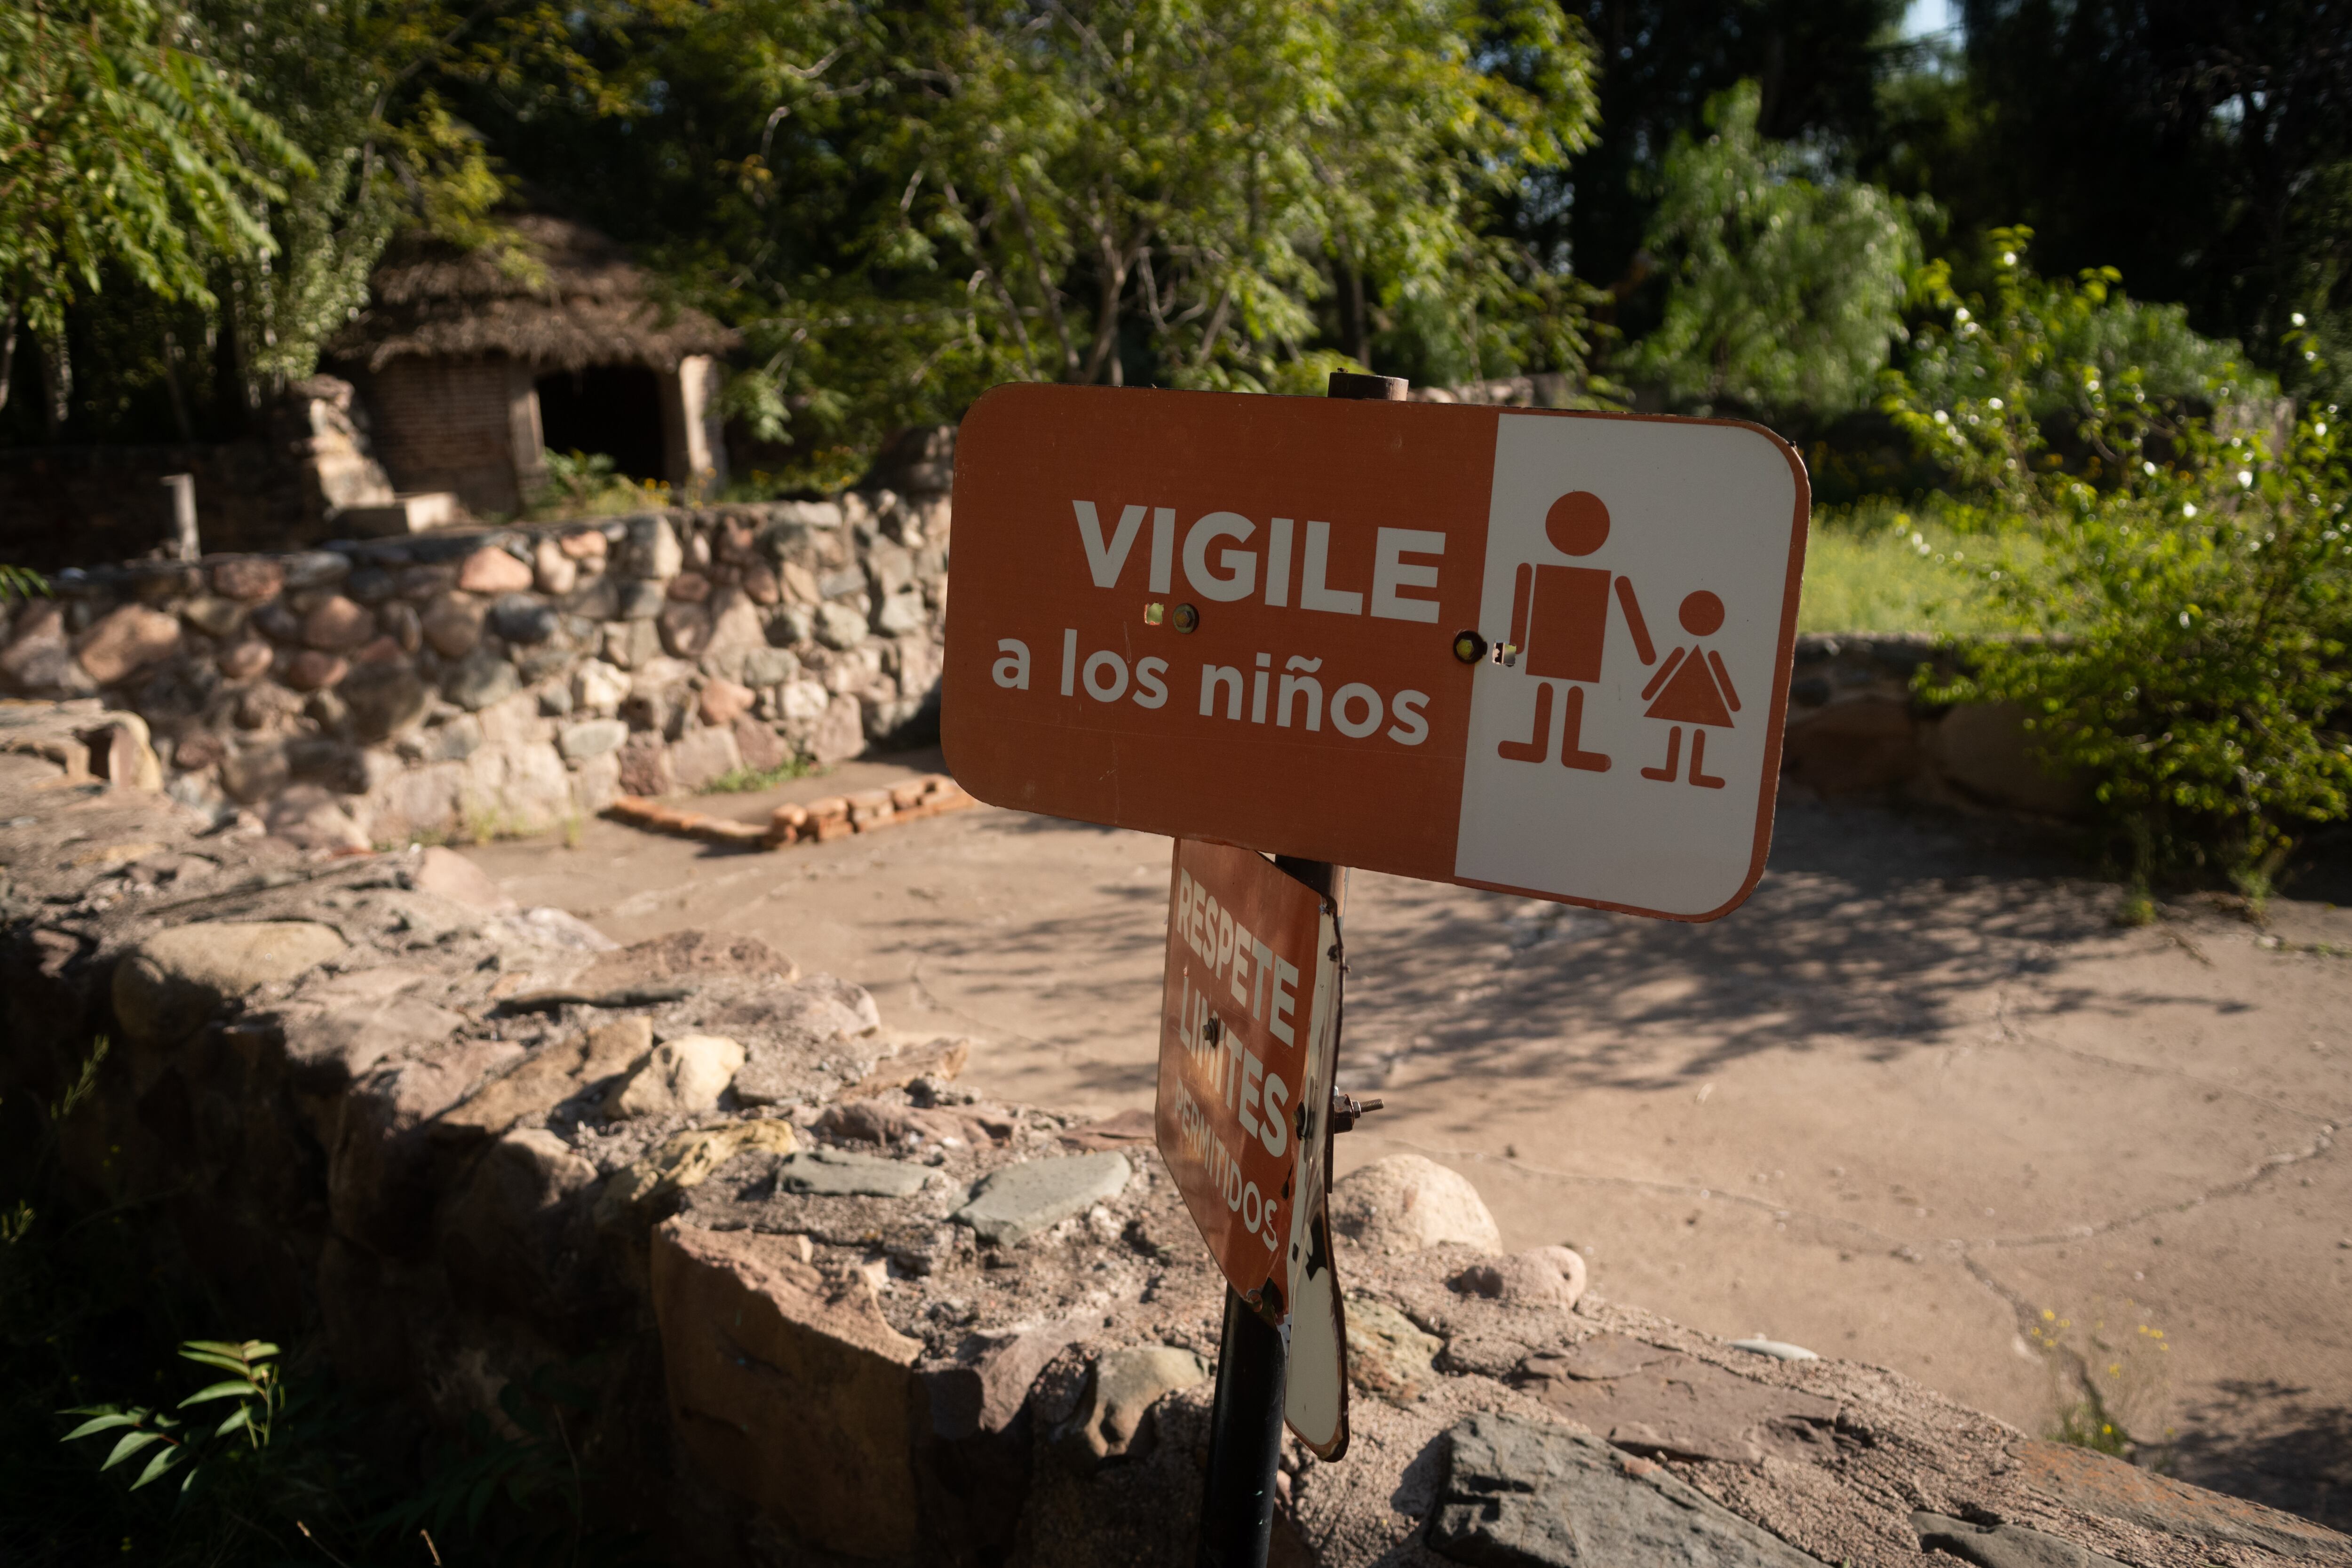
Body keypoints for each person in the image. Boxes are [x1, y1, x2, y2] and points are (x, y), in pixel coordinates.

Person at [1497, 491, 1655, 770]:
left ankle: (1569, 751)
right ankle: (1539, 747)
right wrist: (1503, 659)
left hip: (1582, 653)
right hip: (1550, 650)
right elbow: (1517, 612)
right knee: (1547, 691)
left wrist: (1647, 655)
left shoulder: (1607, 576)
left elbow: (1629, 607)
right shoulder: (1531, 569)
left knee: (1573, 695)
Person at [1638, 590, 1740, 788]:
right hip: (1682, 697)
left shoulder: (1708, 652)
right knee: (1678, 731)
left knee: (1696, 734)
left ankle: (1696, 775)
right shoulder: (1687, 649)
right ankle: (1671, 771)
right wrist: (1649, 692)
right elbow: (1669, 667)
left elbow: (1721, 674)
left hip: (1702, 700)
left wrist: (1649, 693)